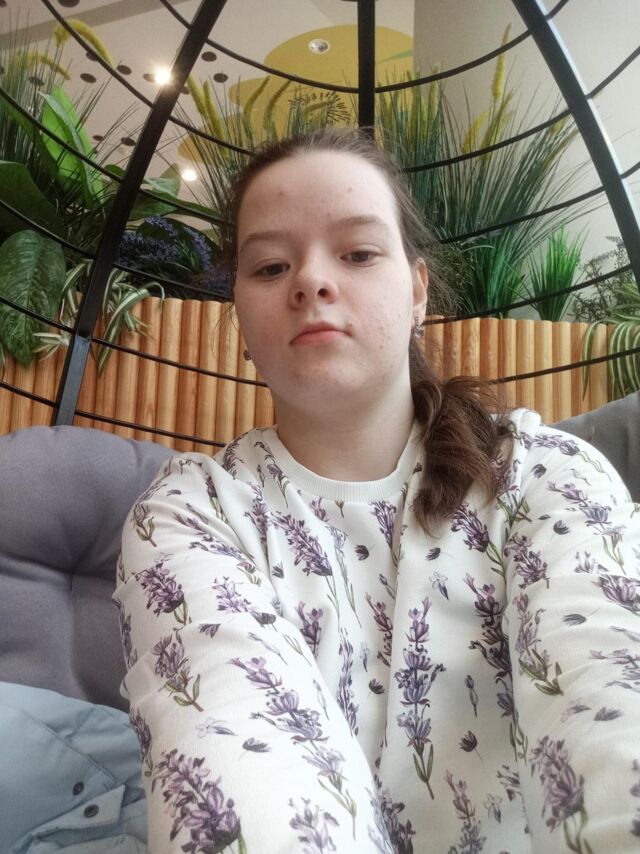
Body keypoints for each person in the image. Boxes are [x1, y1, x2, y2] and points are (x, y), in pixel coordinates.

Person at [115, 128, 640, 854]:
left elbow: (608, 686)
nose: (310, 281)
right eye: (270, 266)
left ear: (418, 290)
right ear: (238, 316)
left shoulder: (547, 477)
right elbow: (241, 771)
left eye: (358, 253)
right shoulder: (187, 517)